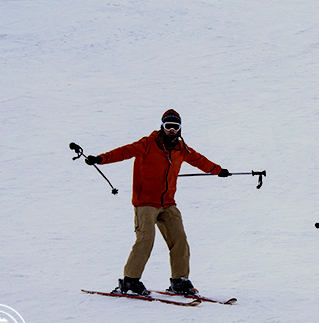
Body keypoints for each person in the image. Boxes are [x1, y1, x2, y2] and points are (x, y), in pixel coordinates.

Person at [85, 109, 230, 296]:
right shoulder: (147, 144)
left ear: (180, 129)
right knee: (145, 240)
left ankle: (180, 281)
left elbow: (199, 160)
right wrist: (100, 159)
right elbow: (124, 151)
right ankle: (130, 281)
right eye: (168, 126)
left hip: (168, 203)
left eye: (175, 127)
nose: (171, 130)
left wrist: (218, 171)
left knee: (180, 241)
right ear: (162, 126)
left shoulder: (181, 149)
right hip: (145, 202)